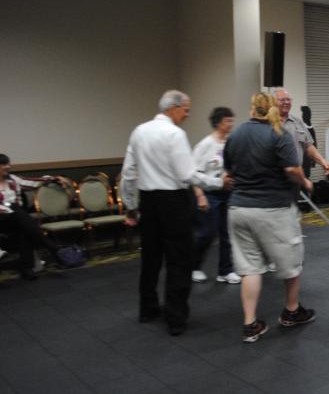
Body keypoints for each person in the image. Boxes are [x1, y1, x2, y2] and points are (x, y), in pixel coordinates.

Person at [121, 90, 228, 336]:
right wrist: (217, 183)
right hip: (174, 202)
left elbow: (128, 173)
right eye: (186, 110)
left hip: (148, 201)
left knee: (150, 259)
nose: (187, 115)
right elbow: (187, 174)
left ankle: (147, 309)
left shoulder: (139, 131)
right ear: (173, 108)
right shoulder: (175, 134)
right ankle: (175, 318)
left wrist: (131, 206)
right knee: (179, 260)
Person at [224, 92, 316, 343]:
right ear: (272, 109)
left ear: (252, 109)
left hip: (238, 210)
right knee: (292, 263)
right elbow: (292, 169)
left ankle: (250, 324)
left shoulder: (235, 135)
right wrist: (305, 182)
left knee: (250, 269)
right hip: (273, 209)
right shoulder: (278, 133)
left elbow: (228, 175)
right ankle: (292, 312)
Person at [0, 154, 73, 279]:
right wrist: (11, 209)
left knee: (23, 230)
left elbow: (33, 182)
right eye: (3, 164)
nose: (8, 166)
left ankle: (27, 268)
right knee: (18, 213)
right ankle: (51, 246)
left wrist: (55, 178)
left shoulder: (13, 179)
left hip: (17, 218)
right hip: (2, 218)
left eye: (8, 163)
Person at [191, 107, 240, 285]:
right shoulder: (205, 145)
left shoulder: (231, 142)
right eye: (228, 121)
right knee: (207, 233)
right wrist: (200, 196)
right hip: (208, 193)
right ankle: (193, 266)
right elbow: (193, 174)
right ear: (218, 122)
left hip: (227, 192)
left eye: (232, 120)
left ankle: (225, 271)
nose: (231, 124)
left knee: (227, 233)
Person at [274, 88, 329, 176]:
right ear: (273, 102)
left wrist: (322, 161)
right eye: (282, 100)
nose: (286, 102)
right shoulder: (266, 123)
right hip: (274, 177)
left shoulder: (298, 122)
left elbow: (308, 146)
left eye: (288, 99)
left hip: (296, 176)